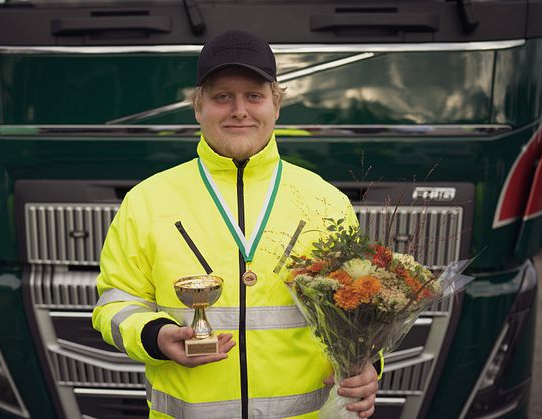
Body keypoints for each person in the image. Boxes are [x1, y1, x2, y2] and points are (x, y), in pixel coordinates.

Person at [93, 29, 379, 419]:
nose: (239, 110)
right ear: (199, 107)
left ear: (276, 105)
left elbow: (362, 308)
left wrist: (369, 365)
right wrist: (156, 335)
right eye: (222, 96)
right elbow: (115, 302)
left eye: (254, 96)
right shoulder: (146, 201)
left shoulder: (326, 201)